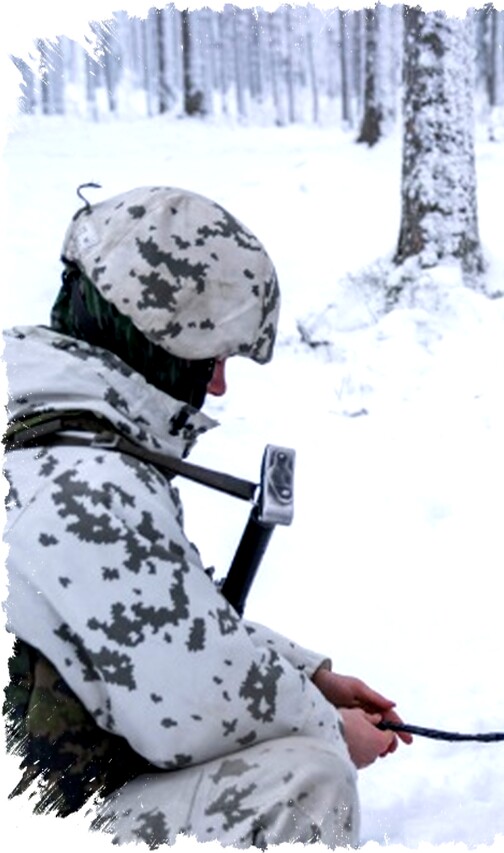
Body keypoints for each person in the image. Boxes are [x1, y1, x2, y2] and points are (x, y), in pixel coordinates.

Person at [3, 185, 412, 846]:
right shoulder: (83, 486)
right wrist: (331, 725)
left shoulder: (44, 422)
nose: (217, 386)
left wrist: (310, 674)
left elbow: (162, 626)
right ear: (157, 338)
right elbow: (186, 705)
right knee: (304, 781)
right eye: (212, 358)